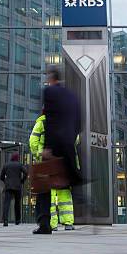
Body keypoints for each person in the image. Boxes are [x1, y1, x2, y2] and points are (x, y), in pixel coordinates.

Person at [33, 69, 81, 234]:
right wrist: (70, 142)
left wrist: (44, 150)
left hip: (53, 148)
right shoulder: (72, 96)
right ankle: (77, 214)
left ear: (51, 79)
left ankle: (46, 224)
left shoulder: (49, 93)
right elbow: (78, 124)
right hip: (67, 148)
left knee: (44, 187)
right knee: (66, 187)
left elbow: (48, 124)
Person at [30, 112, 76, 231]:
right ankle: (68, 223)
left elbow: (33, 141)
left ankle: (52, 224)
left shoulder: (41, 123)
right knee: (65, 193)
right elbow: (75, 141)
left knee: (49, 194)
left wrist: (38, 155)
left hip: (47, 162)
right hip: (63, 162)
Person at [0, 152, 27, 226]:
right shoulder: (19, 165)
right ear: (17, 158)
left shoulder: (6, 165)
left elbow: (1, 176)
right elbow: (26, 172)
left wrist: (6, 181)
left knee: (7, 203)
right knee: (17, 204)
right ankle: (17, 220)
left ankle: (5, 220)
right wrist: (22, 180)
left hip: (8, 186)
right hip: (17, 186)